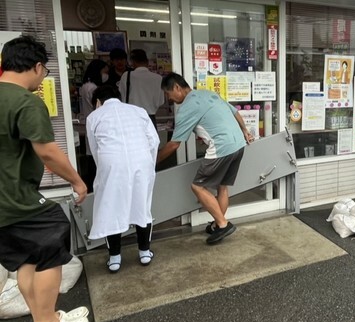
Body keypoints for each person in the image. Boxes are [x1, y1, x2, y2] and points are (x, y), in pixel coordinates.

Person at [0, 35, 90, 322]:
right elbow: (48, 152)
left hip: (5, 203)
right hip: (16, 197)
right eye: (45, 71)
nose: (42, 79)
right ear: (38, 67)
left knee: (26, 258)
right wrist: (78, 181)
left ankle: (43, 317)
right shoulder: (25, 101)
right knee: (54, 232)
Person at [157, 73, 253, 245]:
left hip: (222, 148)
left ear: (177, 87)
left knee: (198, 186)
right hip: (238, 144)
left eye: (168, 93)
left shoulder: (187, 107)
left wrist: (153, 161)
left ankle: (223, 225)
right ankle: (218, 224)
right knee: (222, 187)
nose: (168, 98)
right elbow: (235, 112)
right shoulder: (208, 93)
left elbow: (174, 145)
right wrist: (245, 130)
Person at [86, 85, 160, 273]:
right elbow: (155, 140)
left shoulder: (94, 116)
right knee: (142, 206)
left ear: (97, 102)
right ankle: (144, 253)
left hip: (111, 163)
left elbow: (94, 148)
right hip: (141, 162)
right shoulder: (139, 111)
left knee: (111, 207)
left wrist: (104, 167)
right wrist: (148, 162)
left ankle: (115, 259)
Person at [118, 49, 165, 129]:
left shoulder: (126, 76)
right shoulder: (158, 78)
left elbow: (122, 95)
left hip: (131, 118)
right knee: (151, 141)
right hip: (150, 118)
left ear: (132, 62)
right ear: (147, 62)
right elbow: (161, 101)